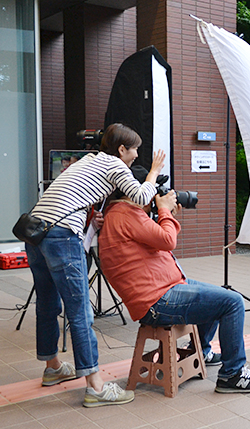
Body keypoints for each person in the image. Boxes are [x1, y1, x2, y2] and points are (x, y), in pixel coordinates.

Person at [26, 123, 166, 407]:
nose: (137, 155)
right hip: (62, 235)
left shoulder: (86, 161)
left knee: (48, 304)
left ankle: (53, 367)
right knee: (79, 312)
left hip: (36, 231)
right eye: (135, 149)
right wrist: (153, 171)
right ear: (122, 149)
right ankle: (95, 387)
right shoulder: (115, 165)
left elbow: (72, 198)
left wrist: (91, 220)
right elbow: (140, 197)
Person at [97, 167, 250, 394]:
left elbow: (155, 239)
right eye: (152, 188)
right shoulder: (126, 215)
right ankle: (232, 375)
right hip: (157, 300)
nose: (156, 193)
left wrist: (166, 214)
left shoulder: (122, 212)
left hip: (164, 288)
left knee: (217, 296)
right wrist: (164, 211)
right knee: (232, 302)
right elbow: (168, 240)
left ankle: (203, 351)